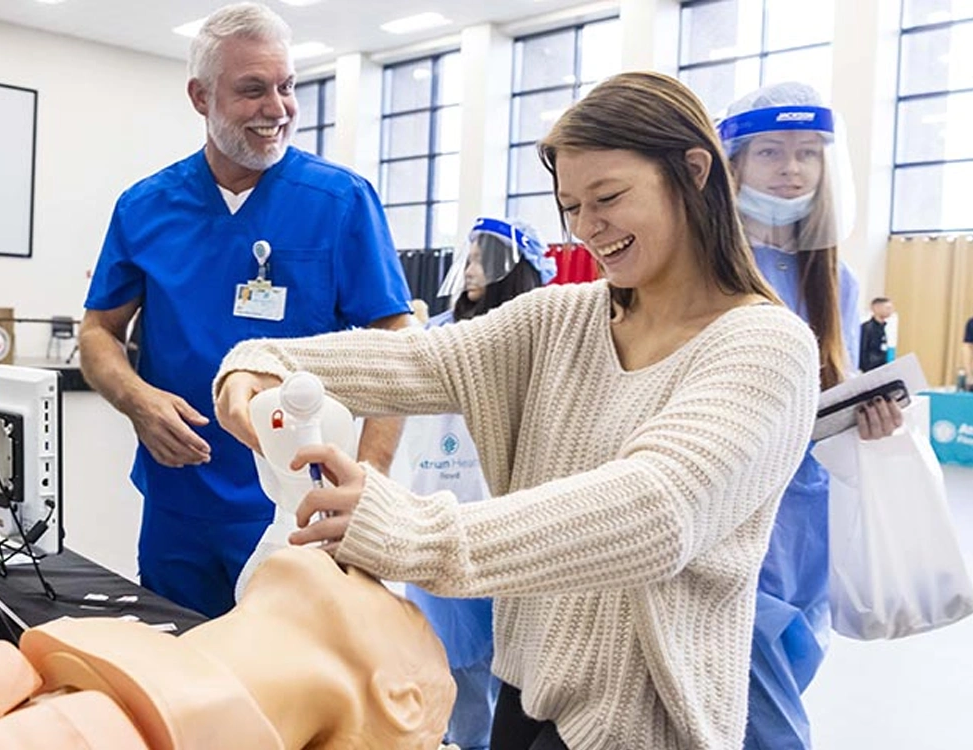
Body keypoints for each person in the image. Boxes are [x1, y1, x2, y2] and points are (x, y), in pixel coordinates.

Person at [213, 71, 822, 750]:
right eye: (571, 206)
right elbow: (421, 361)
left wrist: (410, 529)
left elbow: (656, 509)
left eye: (609, 197)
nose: (589, 228)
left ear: (694, 171)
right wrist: (263, 360)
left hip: (642, 724)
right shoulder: (562, 319)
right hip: (530, 695)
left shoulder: (764, 345)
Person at [78, 2, 412, 618]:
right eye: (253, 90)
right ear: (200, 96)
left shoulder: (340, 203)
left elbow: (397, 342)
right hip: (180, 503)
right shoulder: (145, 208)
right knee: (180, 677)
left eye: (288, 87)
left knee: (288, 693)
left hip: (297, 507)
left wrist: (367, 481)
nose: (278, 108)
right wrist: (136, 399)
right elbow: (98, 331)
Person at [0, 546, 456, 750]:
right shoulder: (29, 675)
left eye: (396, 601)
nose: (363, 562)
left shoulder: (106, 732)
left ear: (398, 700)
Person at [719, 81, 902, 750]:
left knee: (760, 711)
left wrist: (868, 416)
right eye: (769, 151)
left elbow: (827, 394)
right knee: (773, 734)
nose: (791, 169)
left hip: (806, 530)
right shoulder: (708, 269)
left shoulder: (836, 277)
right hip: (728, 530)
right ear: (731, 163)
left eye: (807, 153)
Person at [392, 217, 552, 750]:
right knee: (447, 661)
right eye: (472, 257)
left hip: (510, 526)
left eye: (486, 259)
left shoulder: (539, 340)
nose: (473, 270)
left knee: (512, 670)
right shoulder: (440, 333)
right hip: (439, 514)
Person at [859, 297, 894, 372]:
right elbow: (863, 349)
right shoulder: (867, 328)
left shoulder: (886, 327)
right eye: (887, 308)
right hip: (871, 368)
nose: (890, 311)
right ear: (876, 308)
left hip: (883, 366)